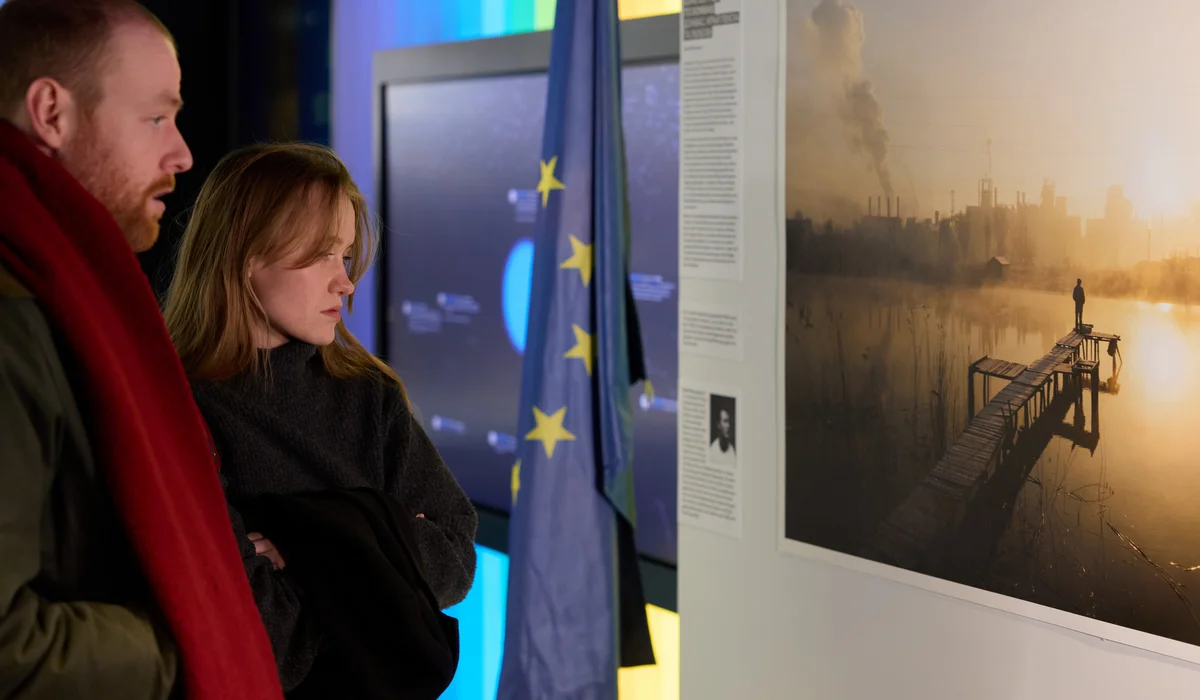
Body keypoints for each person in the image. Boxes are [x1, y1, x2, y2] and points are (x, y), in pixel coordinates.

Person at [0, 1, 284, 698]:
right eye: (156, 118)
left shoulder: (63, 286)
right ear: (51, 113)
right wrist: (194, 635)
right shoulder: (13, 321)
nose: (182, 155)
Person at [162, 142, 478, 691]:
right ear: (246, 256)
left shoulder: (370, 395)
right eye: (321, 256)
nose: (346, 283)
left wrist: (303, 544)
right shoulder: (176, 408)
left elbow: (456, 557)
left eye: (346, 256)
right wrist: (384, 539)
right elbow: (268, 642)